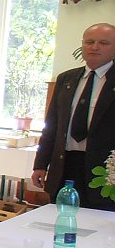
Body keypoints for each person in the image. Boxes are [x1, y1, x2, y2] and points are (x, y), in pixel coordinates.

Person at [31, 22, 115, 211]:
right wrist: (40, 164)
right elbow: (52, 125)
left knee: (97, 224)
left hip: (103, 172)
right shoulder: (66, 79)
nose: (95, 47)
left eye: (103, 43)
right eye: (89, 42)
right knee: (61, 219)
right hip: (65, 165)